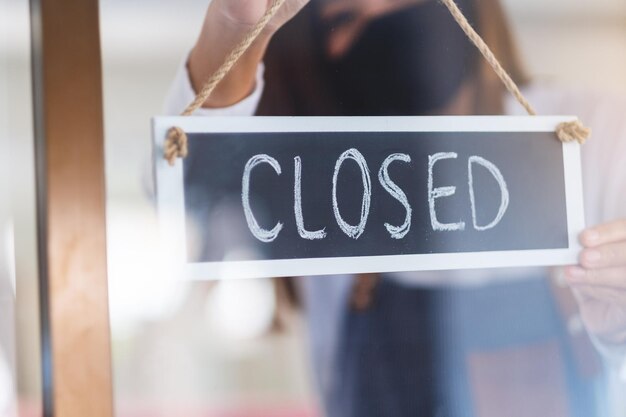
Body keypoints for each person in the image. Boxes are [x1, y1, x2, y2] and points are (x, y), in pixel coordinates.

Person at [164, 0, 626, 416]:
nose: (381, 16)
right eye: (345, 17)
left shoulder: (585, 135)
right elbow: (181, 192)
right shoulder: (309, 175)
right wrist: (231, 31)